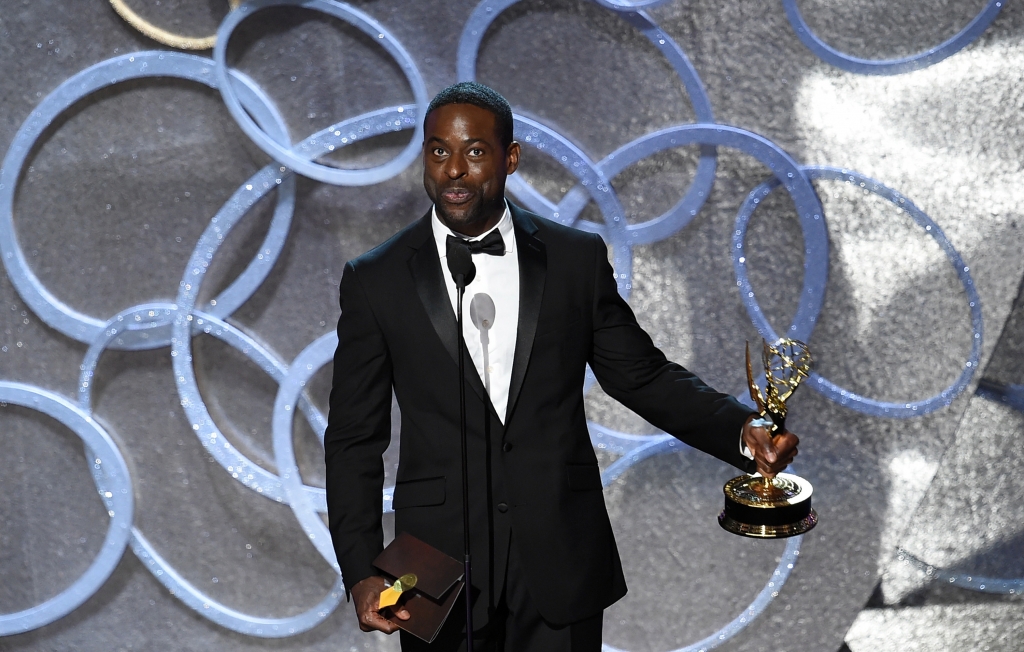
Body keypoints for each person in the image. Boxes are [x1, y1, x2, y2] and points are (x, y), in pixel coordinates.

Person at [324, 82, 799, 652]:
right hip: (430, 568)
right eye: (437, 151)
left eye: (475, 152)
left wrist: (740, 431)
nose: (453, 170)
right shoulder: (376, 279)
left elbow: (640, 374)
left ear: (511, 158)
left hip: (559, 555)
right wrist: (360, 569)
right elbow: (354, 438)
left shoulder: (574, 260)